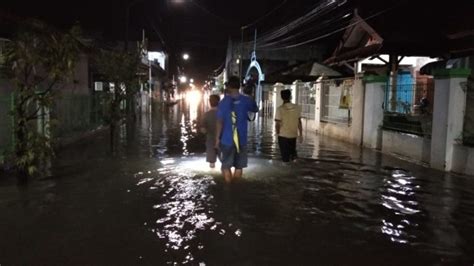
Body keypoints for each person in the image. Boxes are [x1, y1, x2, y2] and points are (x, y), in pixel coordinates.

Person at [216, 76, 258, 182]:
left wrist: (217, 139)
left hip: (227, 139)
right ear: (239, 87)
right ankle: (237, 188)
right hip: (241, 139)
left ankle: (228, 188)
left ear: (229, 87)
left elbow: (219, 122)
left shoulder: (223, 102)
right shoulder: (246, 100)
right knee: (239, 167)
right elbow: (255, 109)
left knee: (226, 166)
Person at [275, 89, 302, 162]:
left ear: (281, 97)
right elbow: (299, 122)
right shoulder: (297, 107)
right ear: (290, 96)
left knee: (285, 158)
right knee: (292, 156)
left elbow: (277, 124)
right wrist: (301, 135)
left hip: (283, 136)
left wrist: (277, 134)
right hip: (293, 136)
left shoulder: (280, 109)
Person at [201, 94, 220, 168]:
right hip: (223, 140)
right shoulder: (223, 114)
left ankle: (213, 177)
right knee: (225, 162)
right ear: (219, 102)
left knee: (212, 162)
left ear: (210, 102)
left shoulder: (206, 115)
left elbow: (203, 130)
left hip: (210, 140)